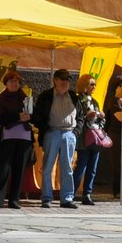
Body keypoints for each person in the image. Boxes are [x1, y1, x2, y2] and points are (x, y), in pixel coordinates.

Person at [32, 68, 79, 208]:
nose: (66, 82)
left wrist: (76, 132)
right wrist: (45, 130)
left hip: (69, 134)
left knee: (67, 168)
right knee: (47, 167)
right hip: (52, 133)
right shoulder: (45, 96)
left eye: (68, 79)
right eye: (63, 79)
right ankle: (46, 198)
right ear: (55, 80)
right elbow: (38, 115)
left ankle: (67, 199)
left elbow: (80, 116)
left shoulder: (73, 96)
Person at [0, 70, 33, 209]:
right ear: (6, 83)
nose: (14, 84)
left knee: (19, 169)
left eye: (16, 81)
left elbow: (32, 114)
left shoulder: (25, 97)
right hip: (8, 137)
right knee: (3, 169)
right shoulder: (1, 98)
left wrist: (29, 116)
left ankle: (14, 200)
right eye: (11, 81)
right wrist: (18, 117)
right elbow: (0, 118)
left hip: (24, 138)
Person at [71, 72, 107, 205]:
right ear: (84, 85)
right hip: (84, 138)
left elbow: (101, 122)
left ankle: (87, 194)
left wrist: (101, 118)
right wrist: (87, 117)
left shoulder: (95, 101)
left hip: (95, 138)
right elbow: (76, 118)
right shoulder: (78, 100)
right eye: (91, 84)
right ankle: (72, 193)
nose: (94, 87)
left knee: (93, 167)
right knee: (81, 166)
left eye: (95, 84)